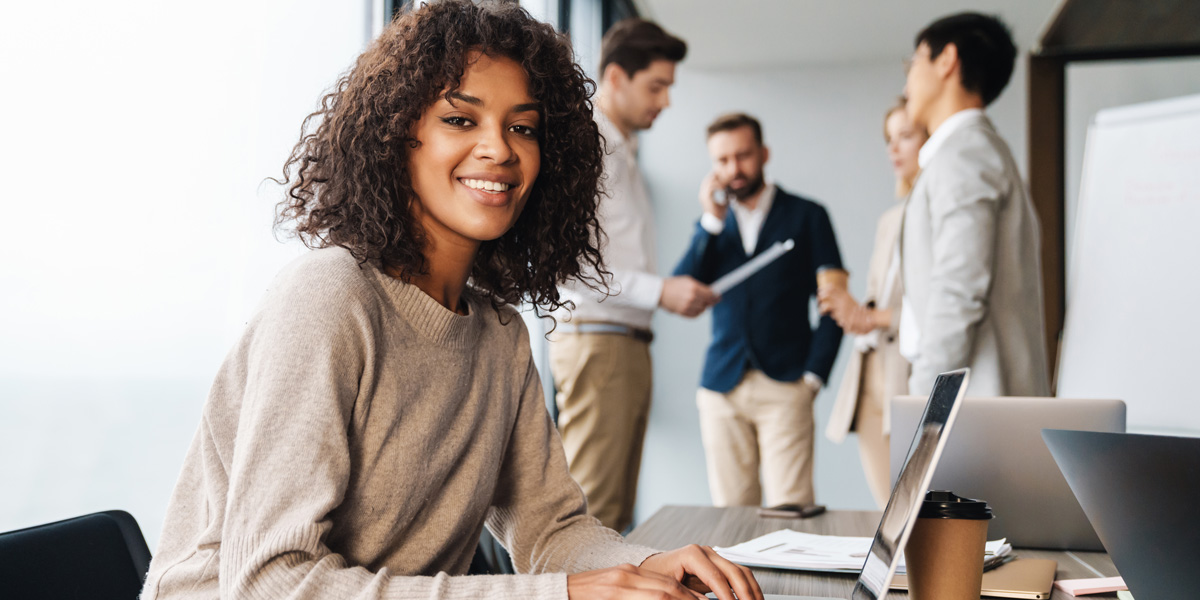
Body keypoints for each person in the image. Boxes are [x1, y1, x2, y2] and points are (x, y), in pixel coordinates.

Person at [139, 3, 763, 600]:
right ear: (396, 135)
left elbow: (552, 531)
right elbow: (269, 585)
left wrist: (646, 565)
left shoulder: (500, 334)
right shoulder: (329, 298)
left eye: (523, 127)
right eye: (461, 120)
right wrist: (563, 593)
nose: (500, 149)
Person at [550, 18, 716, 533]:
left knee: (613, 516)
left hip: (622, 342)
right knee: (593, 516)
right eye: (656, 86)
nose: (665, 101)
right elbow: (569, 264)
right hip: (601, 342)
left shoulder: (622, 149)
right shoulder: (592, 146)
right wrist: (660, 290)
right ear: (616, 78)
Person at [673, 113, 844, 509]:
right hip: (721, 386)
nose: (734, 169)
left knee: (791, 510)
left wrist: (814, 377)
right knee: (731, 514)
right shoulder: (713, 226)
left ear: (763, 154)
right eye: (722, 160)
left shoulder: (808, 215)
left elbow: (835, 302)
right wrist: (710, 223)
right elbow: (681, 290)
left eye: (743, 155)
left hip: (786, 384)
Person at [898, 12, 1051, 397]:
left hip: (972, 403)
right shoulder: (975, 151)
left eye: (914, 63)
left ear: (947, 60)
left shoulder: (965, 154)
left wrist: (923, 397)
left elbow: (959, 288)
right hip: (978, 400)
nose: (907, 83)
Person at [820, 100, 928, 508]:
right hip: (868, 377)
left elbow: (941, 309)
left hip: (909, 374)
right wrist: (849, 309)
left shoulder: (938, 216)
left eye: (905, 136)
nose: (893, 149)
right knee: (889, 510)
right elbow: (878, 300)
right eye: (888, 139)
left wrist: (869, 316)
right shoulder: (891, 219)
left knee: (915, 511)